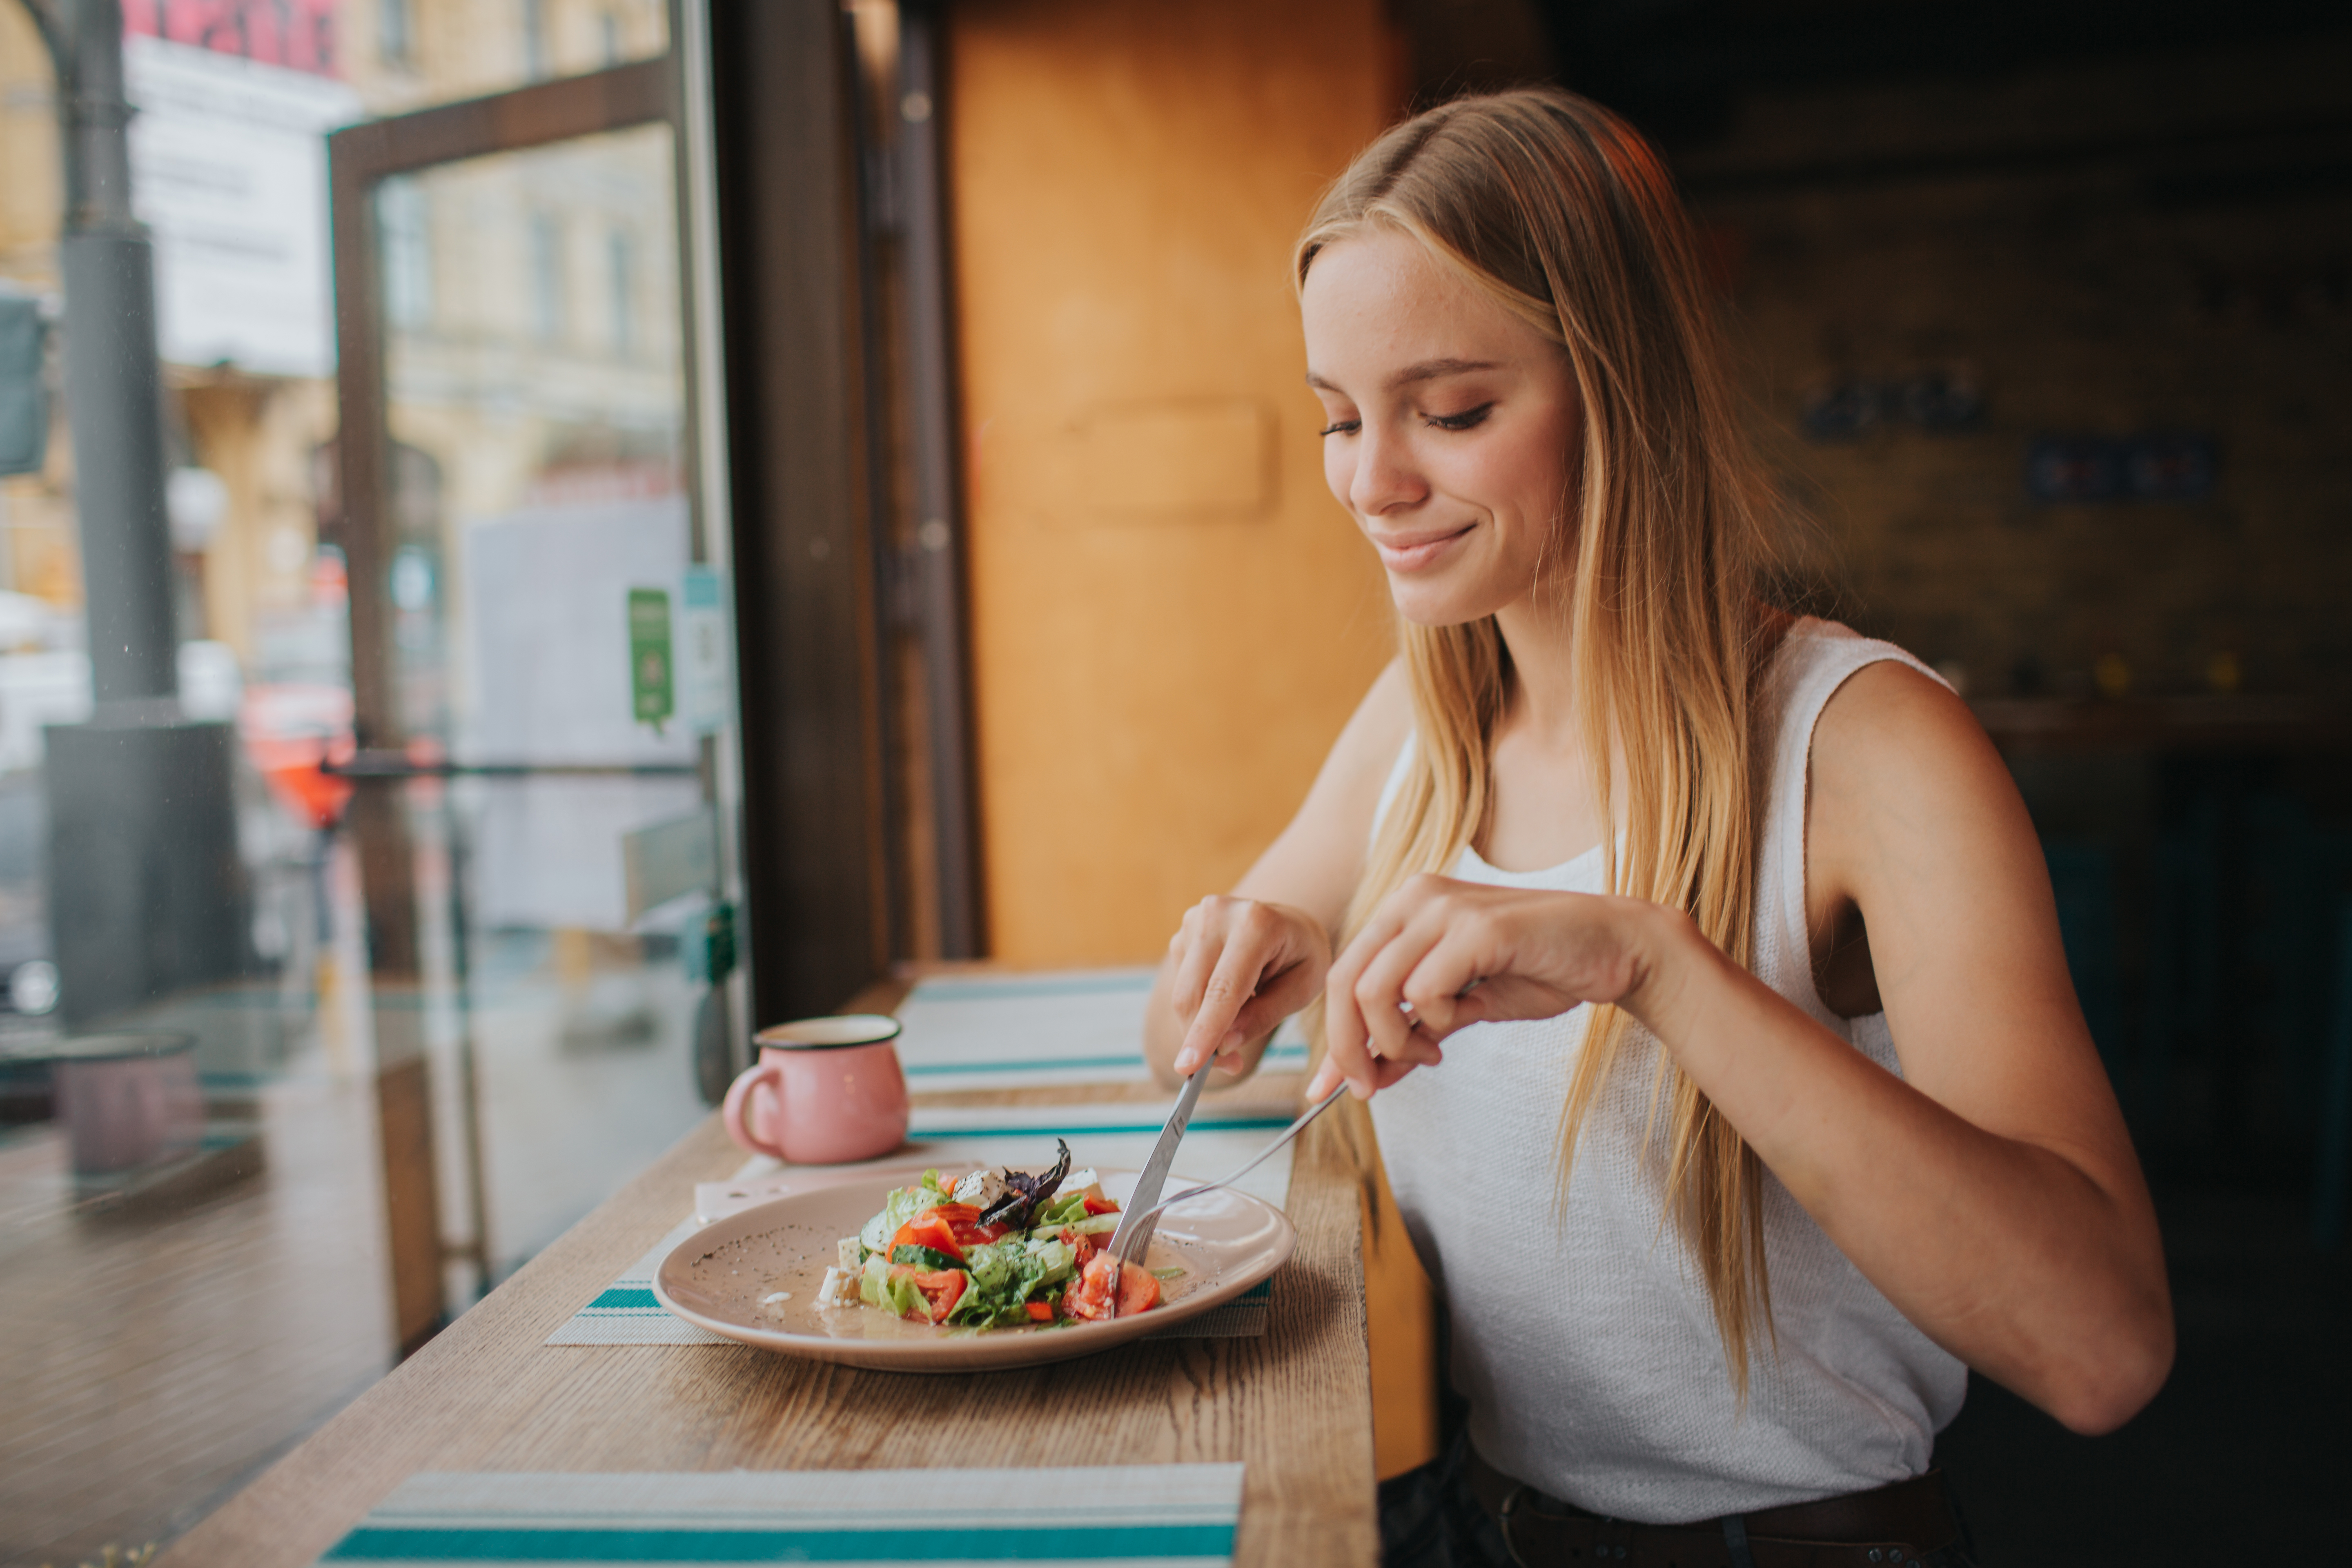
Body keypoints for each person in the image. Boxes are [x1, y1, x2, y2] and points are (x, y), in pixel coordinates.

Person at [1141, 87, 2172, 1568]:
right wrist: (1250, 955)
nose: (1373, 482)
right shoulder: (1424, 721)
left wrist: (1659, 967)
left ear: (1624, 388)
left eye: (1453, 412)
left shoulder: (1870, 746)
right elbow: (1184, 1056)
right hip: (1489, 1520)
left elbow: (2103, 1349)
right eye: (1339, 418)